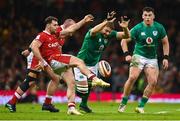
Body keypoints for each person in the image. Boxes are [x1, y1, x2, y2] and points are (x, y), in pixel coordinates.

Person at [30, 15, 110, 115]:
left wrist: (84, 21)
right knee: (79, 62)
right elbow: (34, 46)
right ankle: (93, 78)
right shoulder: (44, 35)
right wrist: (40, 60)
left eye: (57, 25)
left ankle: (71, 108)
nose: (57, 26)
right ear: (48, 25)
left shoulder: (56, 33)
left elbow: (72, 29)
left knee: (71, 82)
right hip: (53, 59)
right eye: (55, 25)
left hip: (56, 61)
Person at [74, 11, 130, 113]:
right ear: (102, 26)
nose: (107, 33)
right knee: (82, 91)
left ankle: (83, 105)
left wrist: (125, 27)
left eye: (109, 32)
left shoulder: (109, 35)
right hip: (81, 63)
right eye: (106, 30)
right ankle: (69, 82)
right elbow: (94, 30)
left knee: (90, 86)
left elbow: (126, 36)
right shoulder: (93, 33)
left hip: (93, 64)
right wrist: (106, 21)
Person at [118, 7, 169, 113]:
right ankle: (123, 103)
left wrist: (165, 57)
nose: (147, 17)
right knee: (132, 77)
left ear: (153, 16)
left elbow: (165, 42)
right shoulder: (137, 28)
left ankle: (140, 106)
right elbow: (123, 41)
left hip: (152, 58)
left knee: (153, 82)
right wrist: (127, 54)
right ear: (142, 16)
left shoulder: (159, 28)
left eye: (150, 15)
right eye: (145, 15)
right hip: (138, 56)